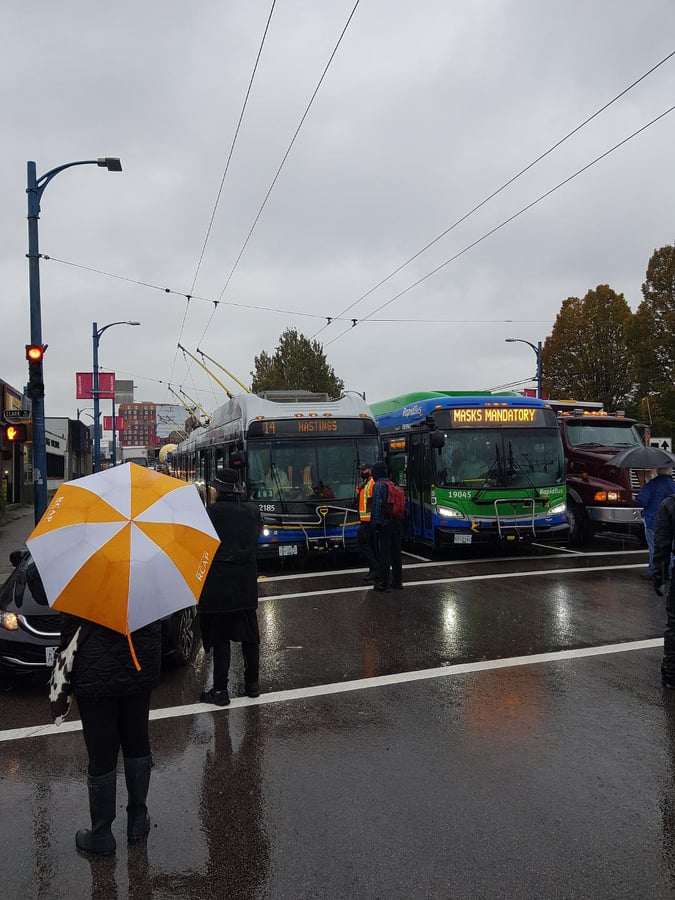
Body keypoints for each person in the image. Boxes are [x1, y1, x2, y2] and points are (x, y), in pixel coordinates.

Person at [58, 614, 162, 855]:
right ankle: (137, 819)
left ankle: (102, 834)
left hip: (92, 668)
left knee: (101, 751)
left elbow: (68, 626)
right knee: (137, 739)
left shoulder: (81, 577)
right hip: (139, 662)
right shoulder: (146, 576)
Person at [199, 467, 263, 706]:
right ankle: (252, 685)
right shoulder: (252, 512)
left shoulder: (210, 513)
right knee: (249, 637)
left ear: (219, 490)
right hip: (244, 585)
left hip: (218, 587)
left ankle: (220, 690)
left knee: (221, 639)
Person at [370, 461, 403, 593]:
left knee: (384, 553)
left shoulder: (378, 486)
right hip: (397, 522)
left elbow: (377, 506)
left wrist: (375, 524)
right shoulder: (392, 484)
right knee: (396, 552)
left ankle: (384, 583)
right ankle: (398, 581)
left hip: (385, 523)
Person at [653, 490, 675, 687]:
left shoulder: (669, 504)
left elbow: (662, 545)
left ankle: (671, 674)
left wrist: (659, 575)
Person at [637, 466, 675, 580]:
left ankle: (655, 571)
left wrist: (643, 486)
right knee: (671, 547)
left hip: (653, 521)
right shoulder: (673, 485)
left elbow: (642, 500)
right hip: (671, 521)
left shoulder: (653, 484)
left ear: (658, 471)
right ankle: (670, 570)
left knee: (654, 547)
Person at [356, 462, 377, 583]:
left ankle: (375, 568)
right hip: (365, 520)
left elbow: (372, 502)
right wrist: (360, 487)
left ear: (370, 470)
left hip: (369, 521)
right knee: (370, 545)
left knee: (363, 543)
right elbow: (358, 492)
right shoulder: (367, 483)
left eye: (364, 470)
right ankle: (373, 569)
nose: (362, 472)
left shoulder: (372, 483)